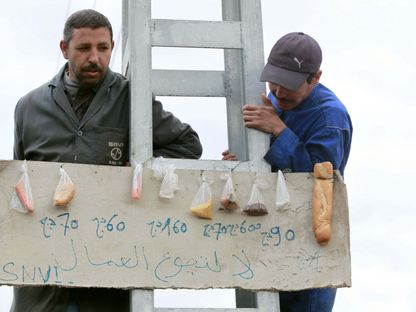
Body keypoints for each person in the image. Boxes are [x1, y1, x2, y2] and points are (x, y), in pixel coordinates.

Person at [11, 9, 202, 312]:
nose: (94, 58)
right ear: (64, 49)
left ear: (112, 47)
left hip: (108, 279)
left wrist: (139, 170)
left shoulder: (132, 99)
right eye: (84, 48)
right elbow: (18, 186)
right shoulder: (28, 107)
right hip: (42, 288)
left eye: (103, 48)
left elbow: (189, 145)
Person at [223, 32, 353, 311]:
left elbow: (319, 181)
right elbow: (268, 166)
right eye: (275, 82)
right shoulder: (279, 99)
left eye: (289, 85)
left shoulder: (330, 119)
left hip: (308, 250)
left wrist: (279, 130)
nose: (279, 93)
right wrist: (241, 164)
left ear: (315, 77)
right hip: (267, 240)